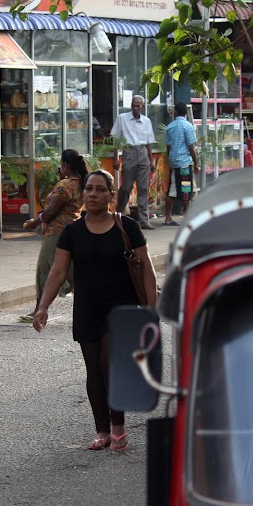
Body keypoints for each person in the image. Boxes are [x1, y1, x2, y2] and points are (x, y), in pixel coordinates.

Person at [33, 169, 158, 452]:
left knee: (109, 365)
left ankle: (118, 428)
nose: (93, 194)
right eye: (89, 188)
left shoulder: (128, 227)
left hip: (121, 309)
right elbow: (58, 271)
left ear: (111, 196)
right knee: (94, 372)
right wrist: (42, 307)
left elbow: (147, 270)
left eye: (100, 189)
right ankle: (101, 431)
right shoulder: (73, 232)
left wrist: (151, 308)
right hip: (88, 307)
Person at [21, 149, 88, 322]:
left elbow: (51, 211)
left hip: (56, 231)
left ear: (65, 166)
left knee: (45, 267)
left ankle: (38, 309)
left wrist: (34, 223)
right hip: (74, 227)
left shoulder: (64, 185)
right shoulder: (81, 182)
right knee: (72, 268)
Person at [110, 95, 156, 230]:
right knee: (126, 187)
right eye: (133, 105)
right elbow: (116, 139)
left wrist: (151, 160)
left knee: (143, 188)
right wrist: (115, 158)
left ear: (142, 107)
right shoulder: (122, 118)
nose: (135, 108)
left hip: (142, 153)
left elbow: (148, 142)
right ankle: (118, 213)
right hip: (128, 152)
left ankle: (144, 220)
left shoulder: (146, 121)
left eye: (138, 105)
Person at [163, 102, 200, 226]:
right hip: (184, 163)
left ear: (176, 112)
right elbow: (191, 147)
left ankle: (168, 217)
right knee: (185, 189)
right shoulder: (188, 126)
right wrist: (196, 163)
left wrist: (170, 159)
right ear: (186, 113)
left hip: (174, 162)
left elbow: (168, 146)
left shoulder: (170, 127)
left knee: (172, 189)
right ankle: (187, 218)